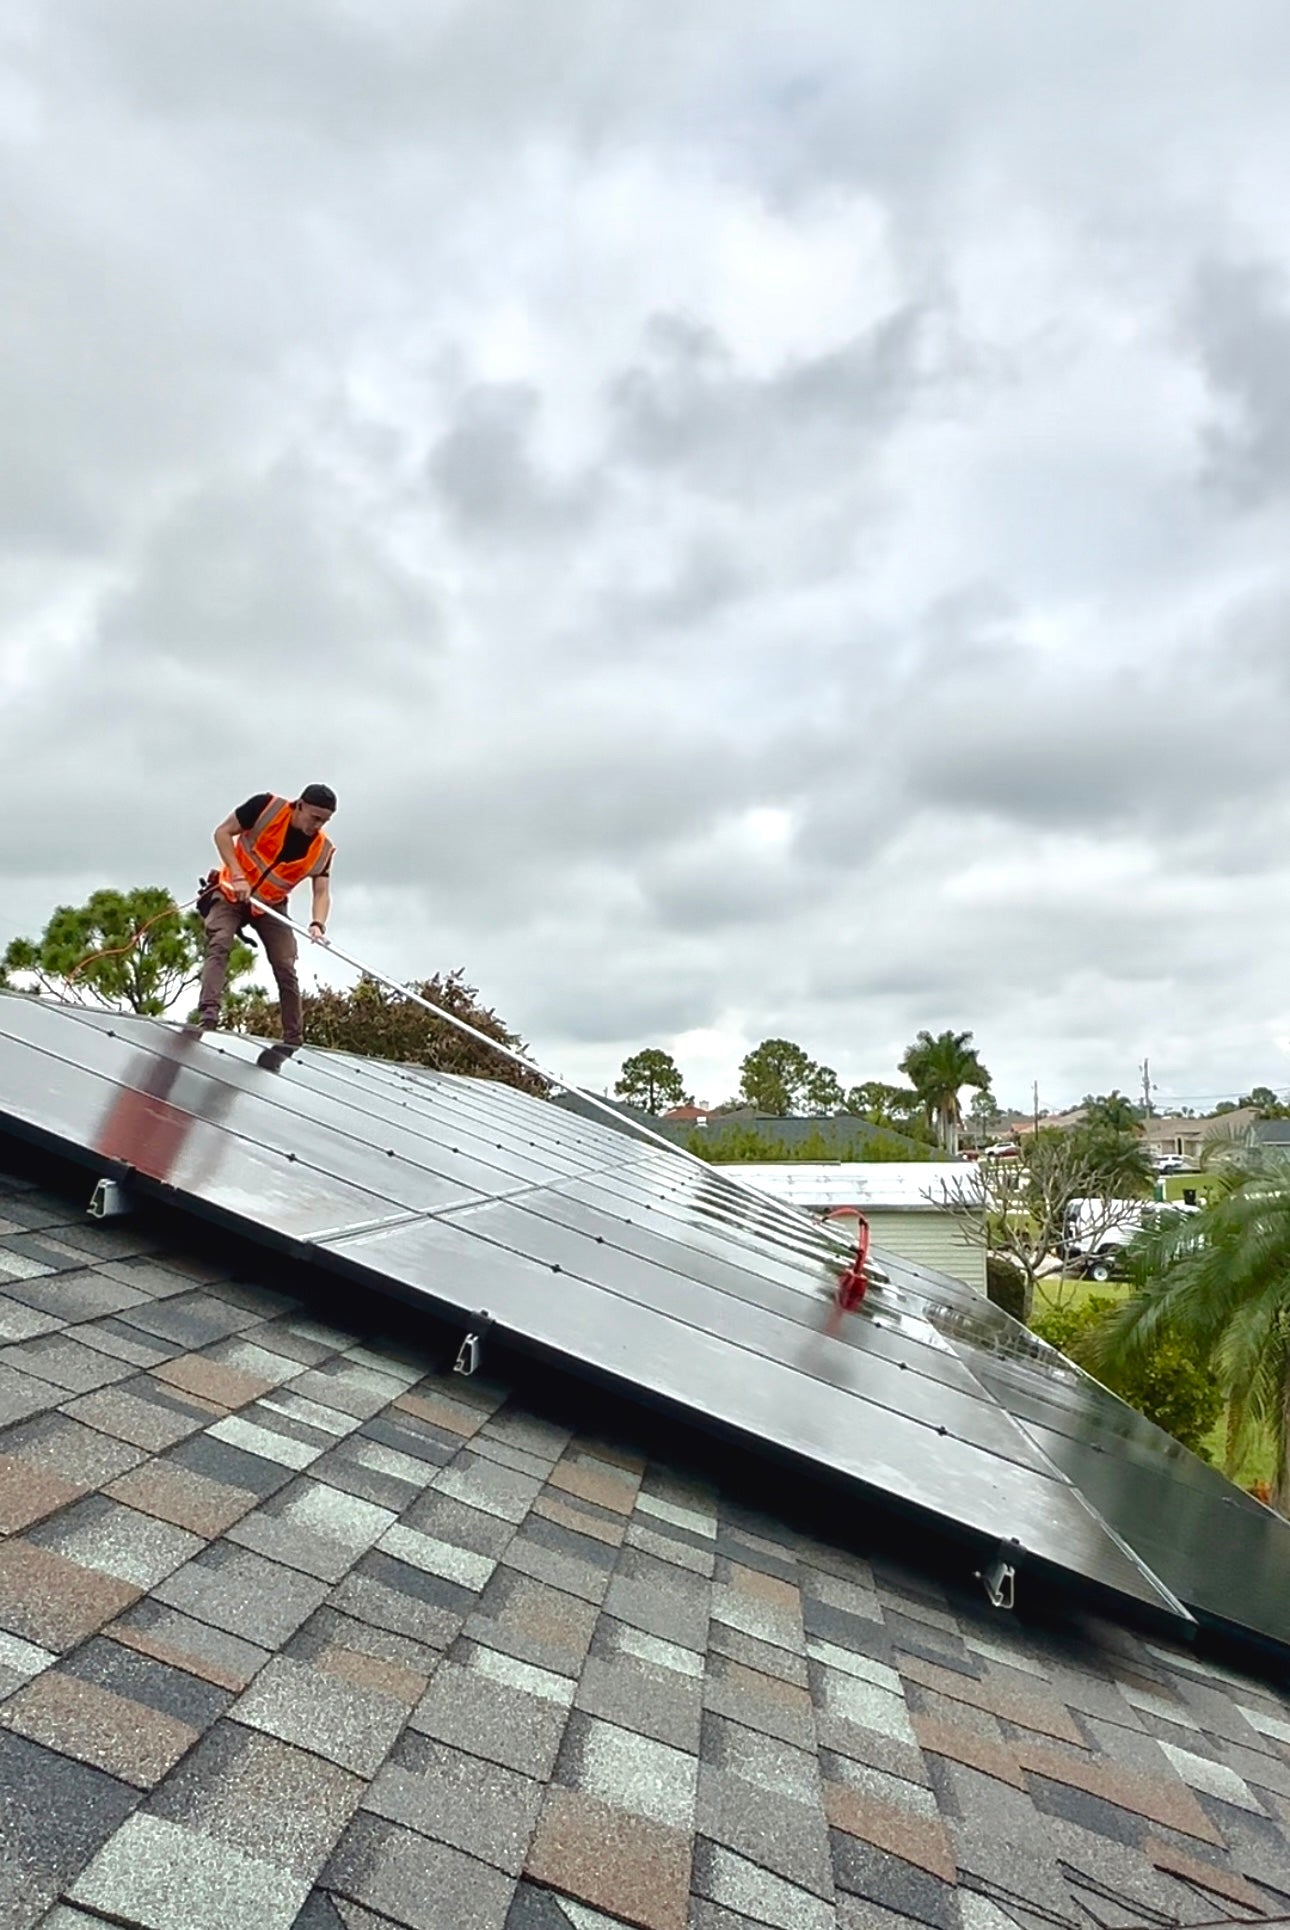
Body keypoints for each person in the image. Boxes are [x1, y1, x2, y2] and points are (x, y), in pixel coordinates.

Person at [196, 785, 336, 1052]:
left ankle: (294, 1039)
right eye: (314, 817)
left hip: (269, 905)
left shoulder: (322, 850)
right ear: (300, 806)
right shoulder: (265, 808)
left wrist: (318, 923)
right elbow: (222, 833)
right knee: (220, 942)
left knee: (286, 964)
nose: (317, 825)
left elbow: (321, 892)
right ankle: (208, 1017)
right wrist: (237, 875)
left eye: (324, 821)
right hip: (231, 893)